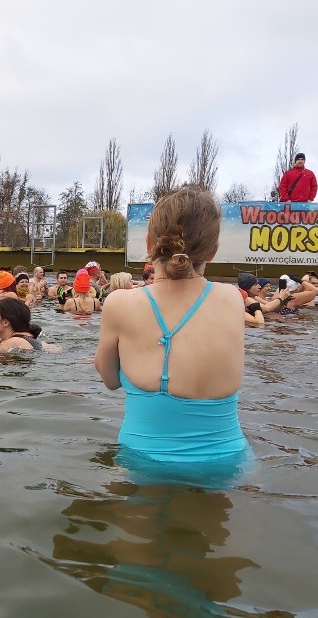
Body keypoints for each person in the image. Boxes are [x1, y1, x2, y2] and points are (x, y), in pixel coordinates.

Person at [94, 187, 249, 462]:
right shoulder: (232, 299)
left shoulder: (119, 303)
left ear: (148, 243)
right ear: (213, 251)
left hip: (144, 461)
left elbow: (110, 380)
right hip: (228, 461)